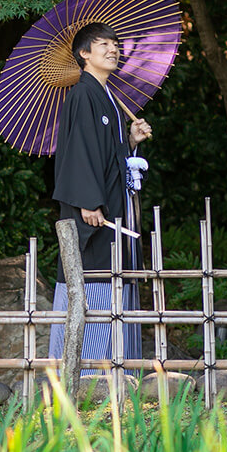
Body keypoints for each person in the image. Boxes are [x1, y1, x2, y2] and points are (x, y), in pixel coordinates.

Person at [49, 23, 153, 374]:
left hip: (112, 206)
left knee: (115, 276)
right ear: (84, 54)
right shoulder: (82, 94)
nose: (113, 49)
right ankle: (90, 371)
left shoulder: (104, 94)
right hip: (95, 211)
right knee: (95, 277)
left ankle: (118, 368)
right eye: (103, 44)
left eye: (115, 44)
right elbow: (78, 152)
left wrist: (130, 139)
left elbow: (107, 154)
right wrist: (86, 201)